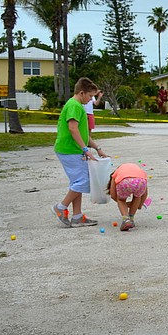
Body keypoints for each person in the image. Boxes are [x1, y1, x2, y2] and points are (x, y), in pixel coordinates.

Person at [52, 77, 108, 228]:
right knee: (83, 181)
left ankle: (77, 216)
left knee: (77, 182)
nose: (91, 99)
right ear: (82, 93)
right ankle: (61, 207)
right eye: (90, 96)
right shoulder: (74, 106)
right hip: (70, 150)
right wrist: (85, 149)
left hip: (73, 149)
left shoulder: (78, 106)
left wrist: (97, 148)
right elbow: (72, 128)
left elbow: (83, 134)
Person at [107, 162, 149, 231]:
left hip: (125, 181)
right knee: (137, 197)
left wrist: (123, 204)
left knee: (121, 200)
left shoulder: (116, 173)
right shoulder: (138, 170)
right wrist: (139, 205)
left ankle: (126, 220)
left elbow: (113, 194)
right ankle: (131, 219)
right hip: (141, 181)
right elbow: (145, 193)